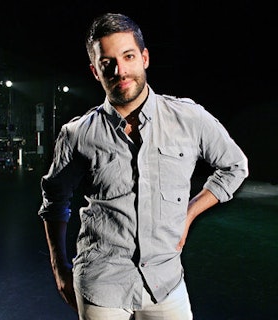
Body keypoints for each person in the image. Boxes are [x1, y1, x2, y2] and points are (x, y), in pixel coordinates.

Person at [38, 12, 248, 320]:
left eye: (128, 56)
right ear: (95, 71)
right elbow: (54, 200)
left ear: (145, 58)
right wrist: (59, 269)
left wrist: (189, 214)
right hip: (101, 284)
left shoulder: (190, 118)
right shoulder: (77, 134)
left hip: (166, 283)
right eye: (107, 62)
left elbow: (235, 167)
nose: (120, 71)